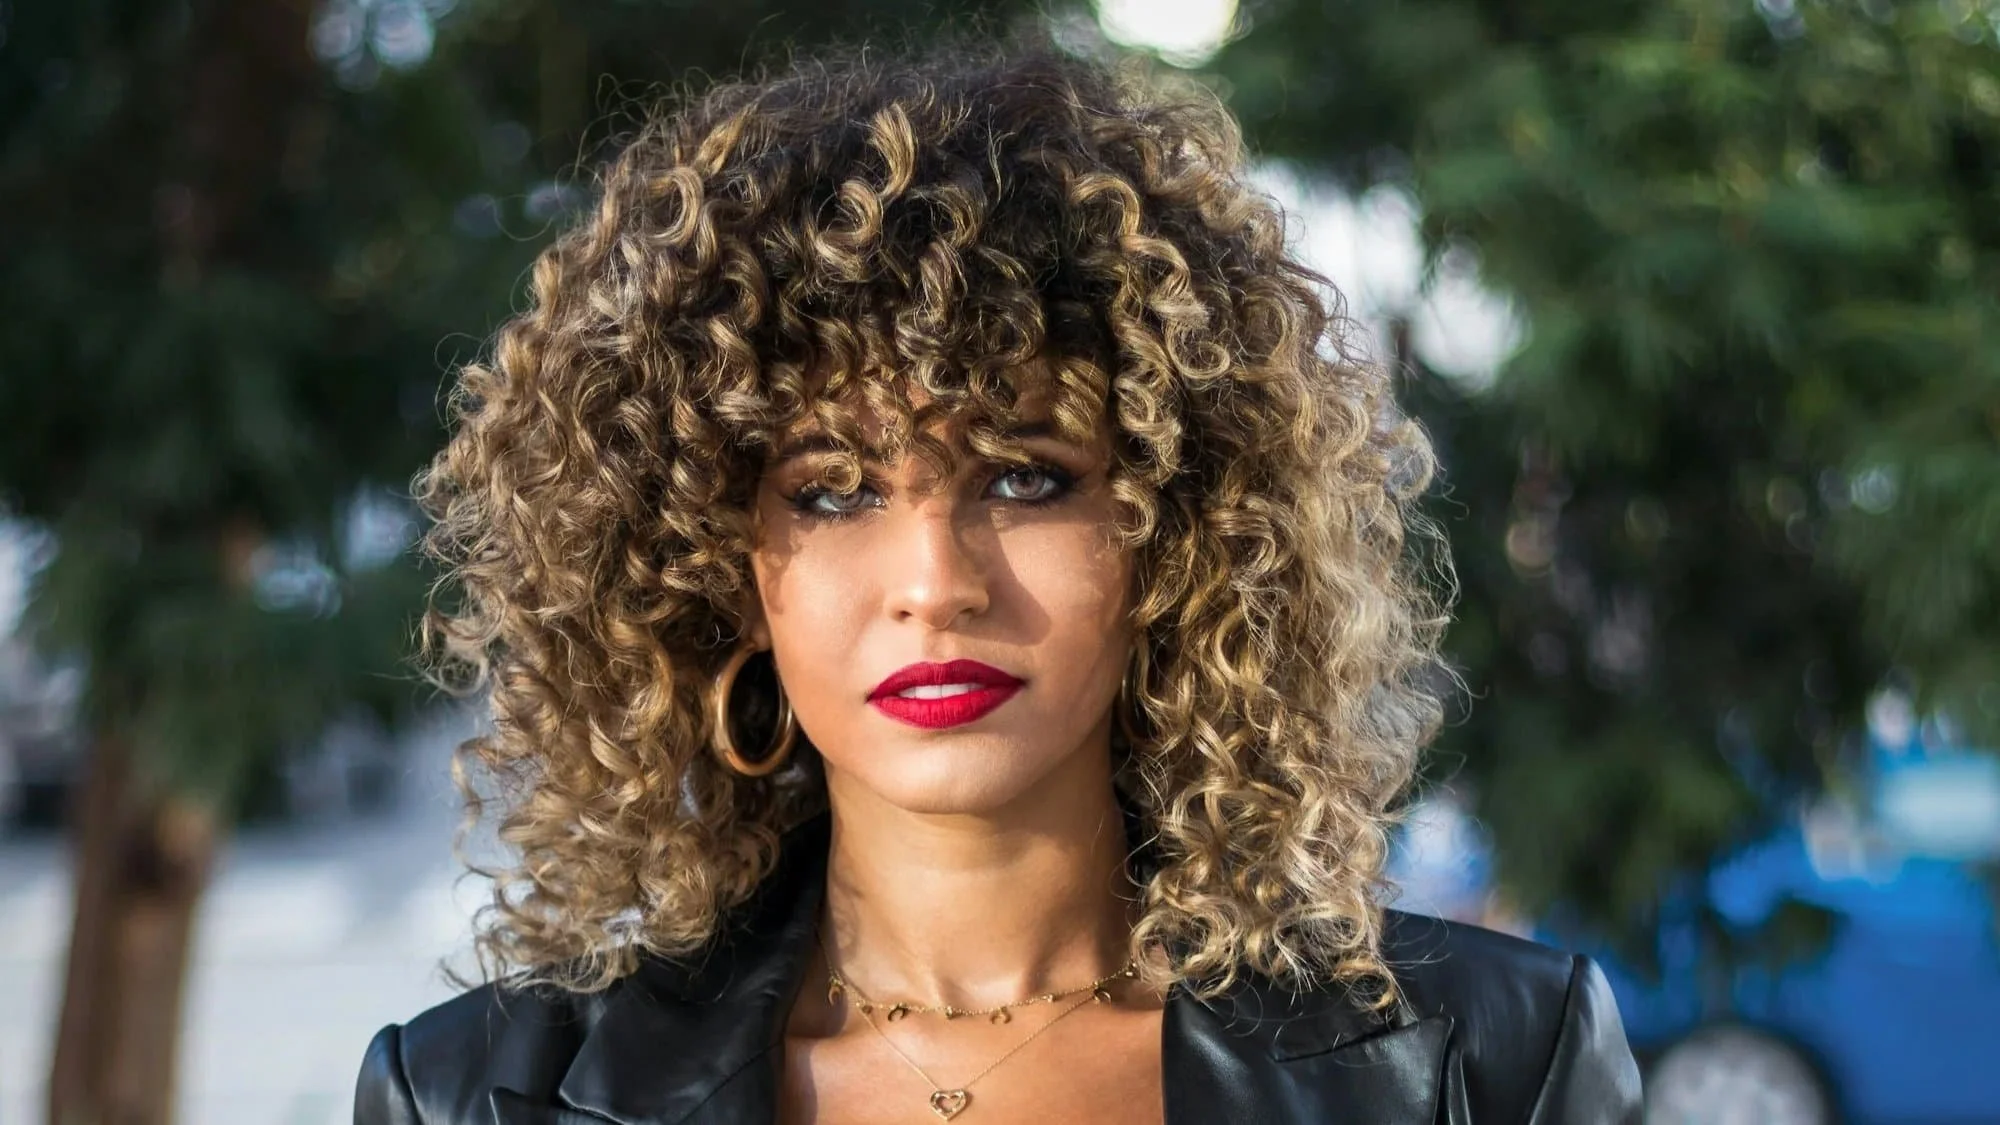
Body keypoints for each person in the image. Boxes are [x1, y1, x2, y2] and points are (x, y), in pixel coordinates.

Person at [354, 35, 1641, 1125]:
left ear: (1176, 535)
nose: (934, 582)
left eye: (1025, 478)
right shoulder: (468, 1097)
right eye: (833, 490)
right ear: (715, 565)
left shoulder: (1489, 1068)